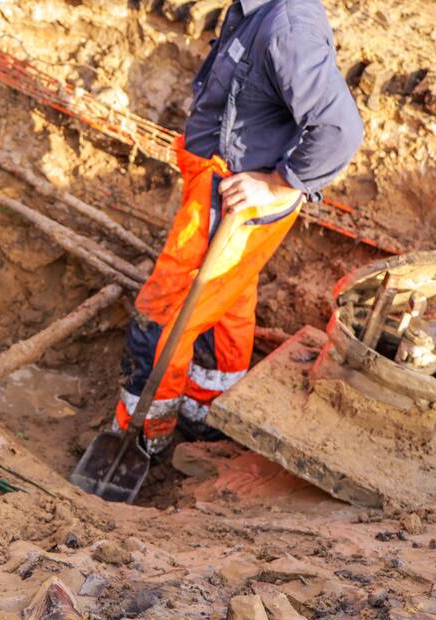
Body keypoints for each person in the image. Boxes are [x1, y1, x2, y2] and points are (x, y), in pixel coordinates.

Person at [112, 0, 363, 454]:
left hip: (231, 202)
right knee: (225, 305)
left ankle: (143, 435)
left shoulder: (287, 28)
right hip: (224, 190)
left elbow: (338, 130)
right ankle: (207, 411)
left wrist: (279, 183)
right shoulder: (260, 8)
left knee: (165, 314)